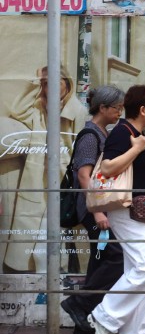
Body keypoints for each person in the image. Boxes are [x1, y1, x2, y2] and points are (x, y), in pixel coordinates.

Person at [87, 85, 145, 334]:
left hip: (141, 212)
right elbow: (107, 168)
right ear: (143, 110)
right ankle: (104, 316)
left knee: (141, 272)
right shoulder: (123, 132)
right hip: (124, 210)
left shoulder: (136, 133)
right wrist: (137, 149)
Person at [2, 65, 89, 272]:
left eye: (53, 83)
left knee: (56, 236)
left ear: (66, 84)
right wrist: (36, 84)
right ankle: (48, 282)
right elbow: (17, 109)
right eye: (45, 84)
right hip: (38, 176)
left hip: (64, 179)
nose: (49, 88)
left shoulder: (77, 111)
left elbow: (80, 146)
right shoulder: (39, 108)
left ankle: (56, 282)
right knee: (41, 237)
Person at [60, 86, 128, 334]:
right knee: (116, 256)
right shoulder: (90, 136)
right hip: (91, 208)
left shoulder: (101, 133)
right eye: (117, 108)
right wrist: (97, 211)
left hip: (96, 207)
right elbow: (83, 176)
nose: (119, 112)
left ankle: (84, 320)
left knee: (100, 261)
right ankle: (79, 304)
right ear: (103, 108)